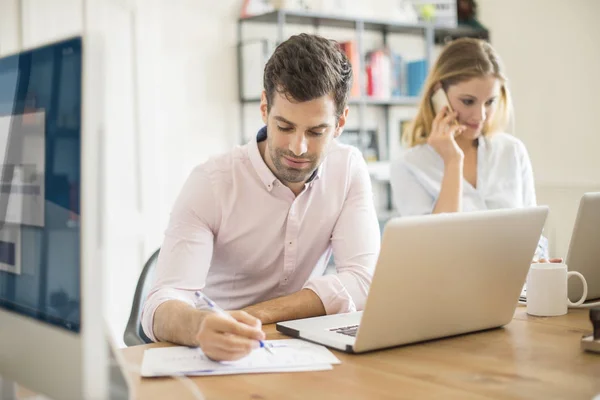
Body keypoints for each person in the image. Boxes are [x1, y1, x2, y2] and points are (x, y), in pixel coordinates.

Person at [141, 33, 380, 361]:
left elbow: (365, 282)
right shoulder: (212, 182)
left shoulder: (349, 169)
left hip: (301, 346)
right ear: (265, 108)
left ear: (340, 123)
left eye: (316, 132)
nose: (299, 148)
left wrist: (255, 316)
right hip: (217, 352)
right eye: (284, 127)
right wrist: (200, 326)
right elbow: (160, 303)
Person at [390, 38, 550, 259]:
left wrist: (542, 263)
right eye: (468, 101)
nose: (480, 116)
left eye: (490, 102)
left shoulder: (512, 151)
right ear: (439, 94)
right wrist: (452, 161)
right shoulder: (408, 167)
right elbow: (436, 250)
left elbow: (535, 237)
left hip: (516, 287)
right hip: (449, 290)